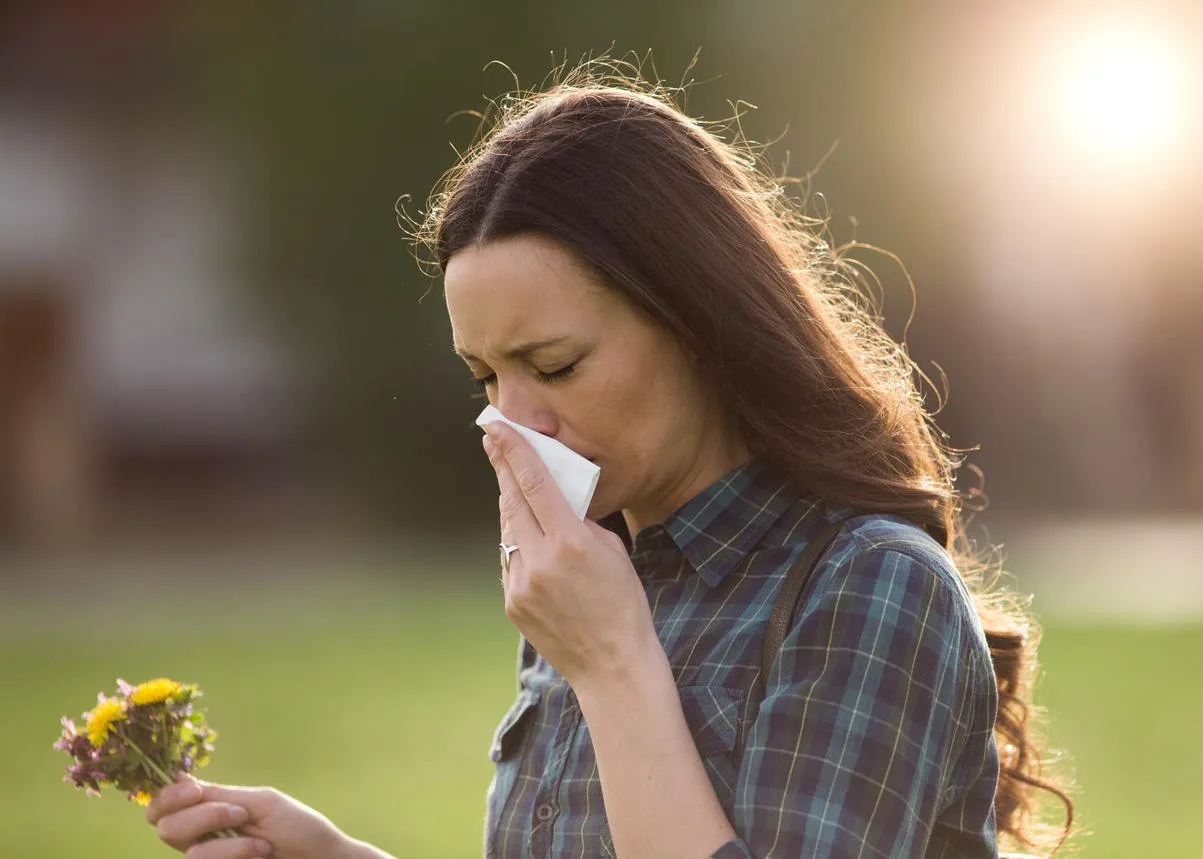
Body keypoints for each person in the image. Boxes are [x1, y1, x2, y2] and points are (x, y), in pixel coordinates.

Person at [146, 65, 1073, 858]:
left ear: (698, 321)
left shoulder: (866, 586)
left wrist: (611, 665)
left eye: (554, 365)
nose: (515, 423)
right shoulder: (596, 577)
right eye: (485, 377)